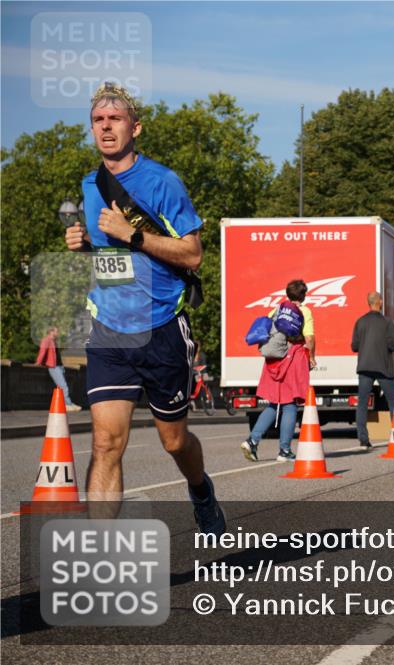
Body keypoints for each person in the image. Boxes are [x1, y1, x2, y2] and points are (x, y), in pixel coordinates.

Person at [64, 82, 223, 534]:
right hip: (110, 329)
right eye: (98, 120)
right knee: (105, 444)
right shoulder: (91, 184)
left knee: (174, 441)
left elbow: (192, 254)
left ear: (135, 127)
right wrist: (84, 246)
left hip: (162, 329)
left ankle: (200, 489)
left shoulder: (162, 181)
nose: (106, 127)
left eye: (115, 119)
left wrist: (132, 234)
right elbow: (111, 256)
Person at [241, 280, 314, 462]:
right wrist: (312, 357)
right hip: (292, 360)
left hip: (273, 361)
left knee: (274, 403)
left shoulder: (277, 310)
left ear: (288, 294)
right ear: (303, 295)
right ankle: (284, 450)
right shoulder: (304, 312)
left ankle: (252, 440)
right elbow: (309, 339)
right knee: (290, 405)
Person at [351, 291, 394, 450]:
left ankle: (363, 440)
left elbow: (354, 346)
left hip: (365, 367)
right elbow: (392, 345)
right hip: (384, 367)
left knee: (362, 403)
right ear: (380, 302)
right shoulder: (387, 322)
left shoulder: (360, 322)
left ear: (369, 303)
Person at [34, 326, 82, 411]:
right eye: (56, 331)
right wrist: (38, 363)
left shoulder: (53, 341)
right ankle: (67, 404)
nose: (58, 333)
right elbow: (42, 352)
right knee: (63, 386)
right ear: (51, 332)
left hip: (59, 366)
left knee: (63, 386)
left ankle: (69, 403)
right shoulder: (46, 340)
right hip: (53, 366)